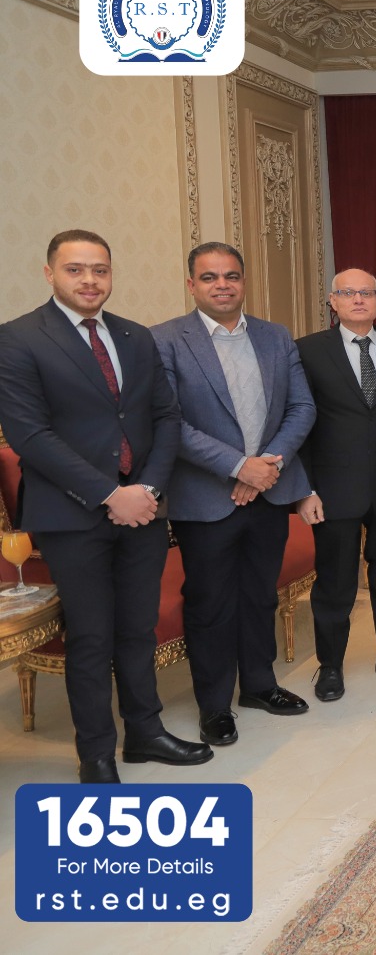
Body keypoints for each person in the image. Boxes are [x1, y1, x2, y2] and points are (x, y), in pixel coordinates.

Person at [0, 230, 211, 783]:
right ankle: (95, 753)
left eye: (100, 269)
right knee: (91, 637)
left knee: (138, 629)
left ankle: (146, 733)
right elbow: (30, 435)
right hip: (71, 515)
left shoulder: (135, 336)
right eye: (75, 269)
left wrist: (148, 490)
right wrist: (110, 494)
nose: (89, 280)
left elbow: (165, 417)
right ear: (50, 273)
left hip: (142, 509)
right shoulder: (18, 339)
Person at [153, 242, 316, 747]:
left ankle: (260, 686)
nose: (221, 285)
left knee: (259, 594)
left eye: (231, 276)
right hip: (205, 499)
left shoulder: (275, 336)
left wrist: (268, 465)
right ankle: (215, 705)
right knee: (211, 603)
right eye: (209, 277)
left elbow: (302, 408)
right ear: (191, 284)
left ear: (244, 282)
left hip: (269, 491)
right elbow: (170, 422)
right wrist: (238, 466)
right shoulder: (165, 340)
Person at [295, 269, 376, 702]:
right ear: (332, 301)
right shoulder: (308, 351)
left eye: (366, 292)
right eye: (347, 293)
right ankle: (330, 666)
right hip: (333, 489)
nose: (357, 299)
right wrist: (305, 490)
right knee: (335, 583)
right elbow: (298, 425)